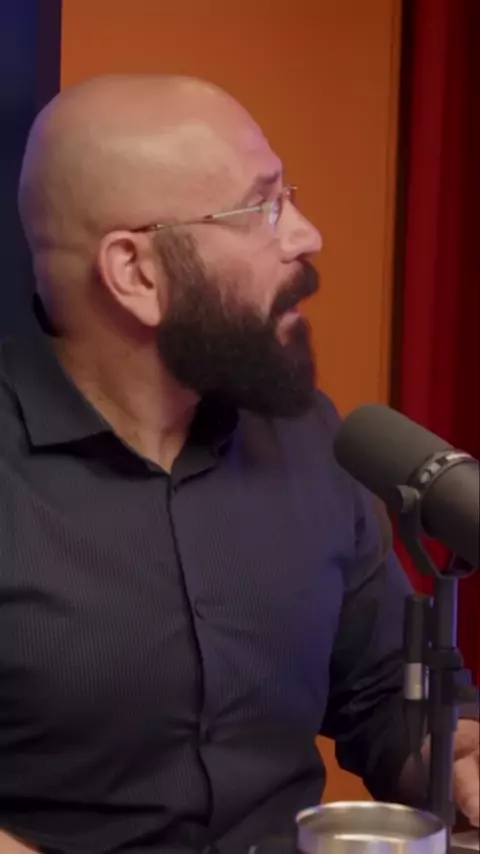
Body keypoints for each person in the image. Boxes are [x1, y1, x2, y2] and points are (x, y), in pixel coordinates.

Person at [0, 74, 478, 854]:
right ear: (137, 273)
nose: (307, 236)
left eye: (288, 195)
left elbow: (385, 694)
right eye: (262, 209)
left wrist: (454, 758)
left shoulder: (306, 438)